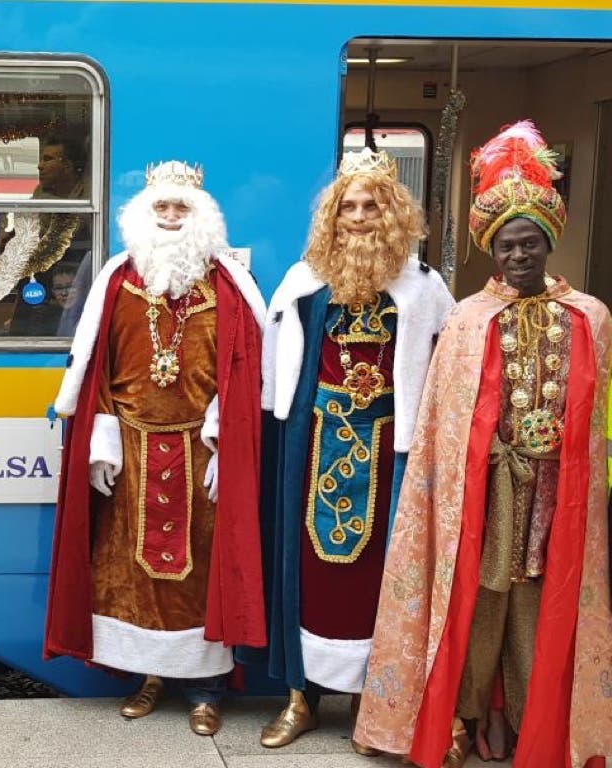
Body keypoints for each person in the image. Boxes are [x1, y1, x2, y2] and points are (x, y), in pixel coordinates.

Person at [355, 121, 612, 768]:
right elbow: (447, 420)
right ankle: (467, 716)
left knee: (539, 604)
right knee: (481, 602)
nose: (519, 256)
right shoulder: (468, 318)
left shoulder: (590, 315)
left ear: (548, 243)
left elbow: (599, 409)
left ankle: (533, 720)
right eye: (506, 247)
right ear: (491, 253)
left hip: (560, 494)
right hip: (486, 492)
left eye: (530, 244)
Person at [44, 161, 266, 736]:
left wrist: (226, 442)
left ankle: (207, 690)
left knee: (201, 572)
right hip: (134, 452)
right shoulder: (118, 279)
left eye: (181, 209)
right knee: (133, 573)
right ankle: (149, 676)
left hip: (201, 452)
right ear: (144, 216)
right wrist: (100, 440)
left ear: (201, 218)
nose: (170, 218)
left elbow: (244, 372)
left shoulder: (228, 285)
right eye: (161, 209)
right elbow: (98, 367)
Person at [247, 148, 453, 754]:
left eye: (370, 206)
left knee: (379, 577)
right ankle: (300, 698)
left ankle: (374, 704)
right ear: (331, 218)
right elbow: (274, 366)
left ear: (390, 213)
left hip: (390, 448)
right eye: (348, 208)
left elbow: (443, 368)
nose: (358, 218)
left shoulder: (424, 288)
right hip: (311, 443)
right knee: (304, 570)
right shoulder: (304, 279)